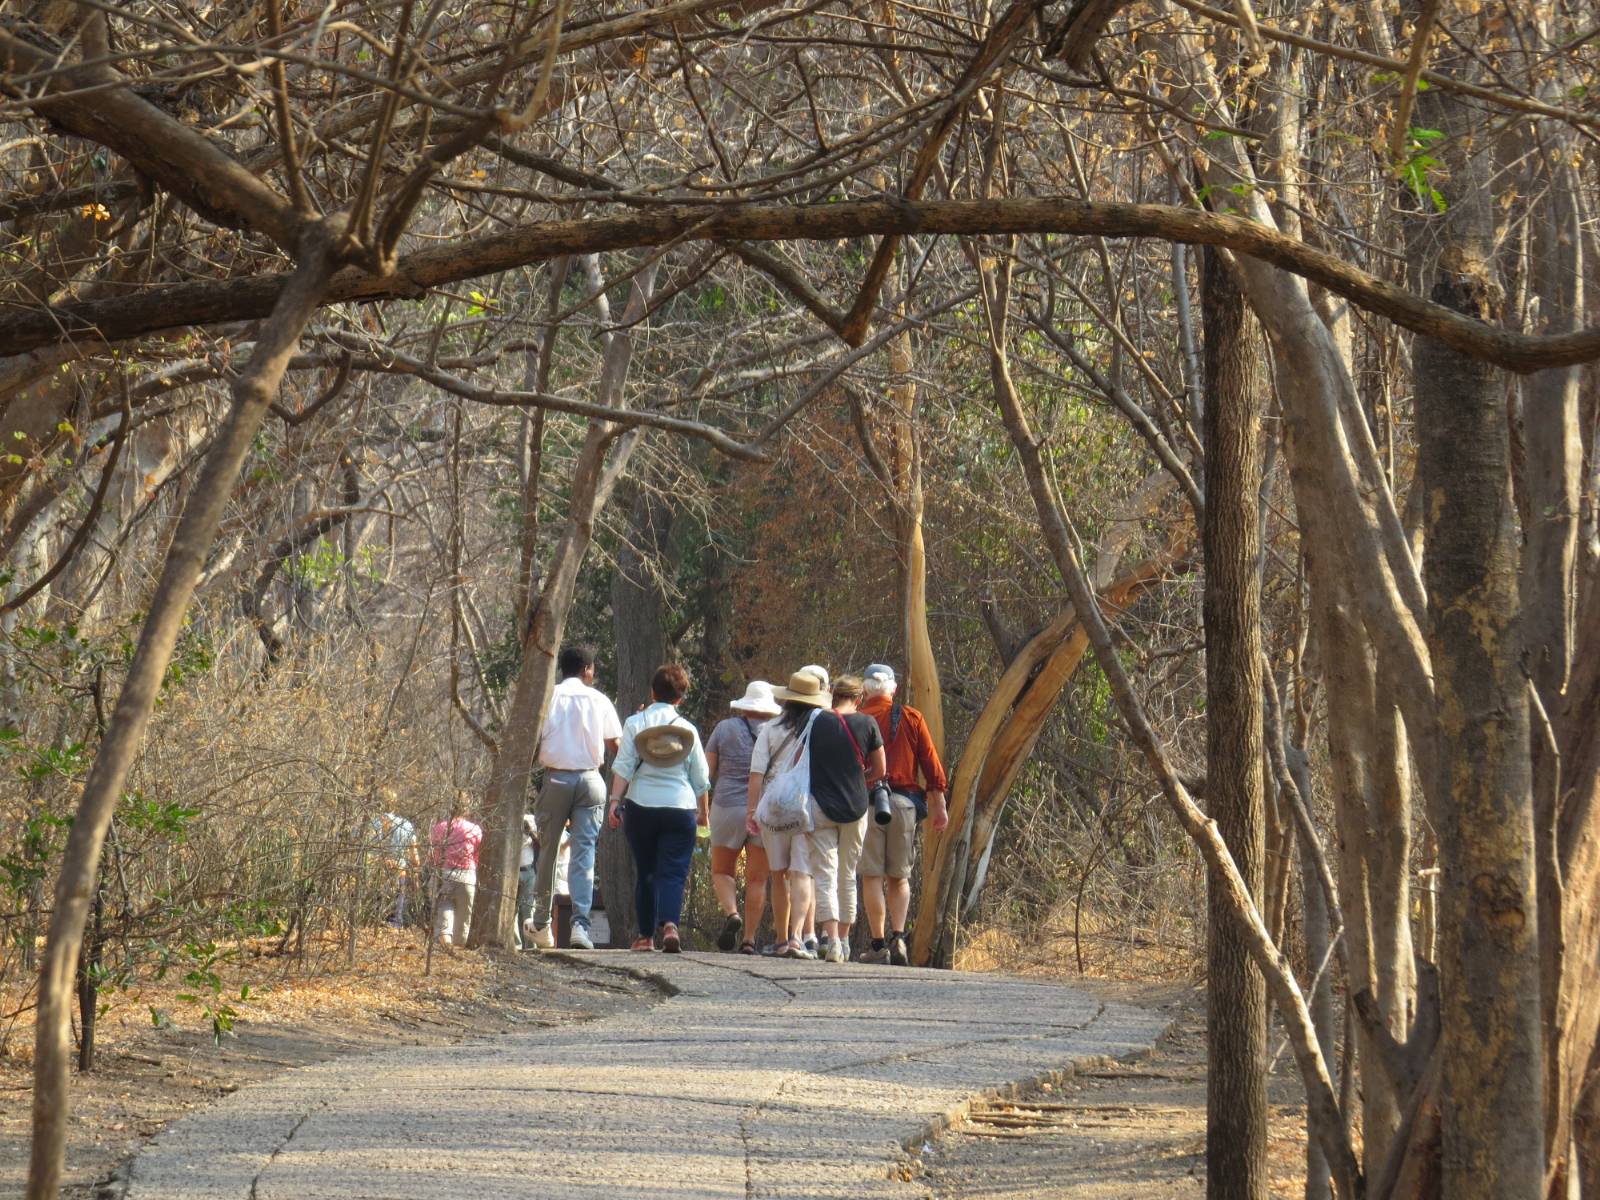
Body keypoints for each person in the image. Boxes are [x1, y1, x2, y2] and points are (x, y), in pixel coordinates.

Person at [525, 644, 622, 952]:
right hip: (591, 778)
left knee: (549, 851)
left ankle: (541, 924)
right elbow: (616, 745)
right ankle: (580, 926)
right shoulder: (599, 700)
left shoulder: (547, 697)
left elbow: (531, 739)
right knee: (584, 854)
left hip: (555, 777)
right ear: (587, 670)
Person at [608, 664, 710, 953]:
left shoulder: (635, 724)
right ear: (680, 698)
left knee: (647, 870)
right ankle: (670, 926)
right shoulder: (687, 731)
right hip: (680, 806)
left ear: (652, 692)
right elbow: (701, 779)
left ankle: (645, 937)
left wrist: (615, 802)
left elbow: (625, 766)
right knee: (673, 871)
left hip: (641, 806)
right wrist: (704, 813)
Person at [858, 662, 949, 966]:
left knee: (871, 875)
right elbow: (930, 762)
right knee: (899, 876)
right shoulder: (911, 717)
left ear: (865, 690)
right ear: (893, 689)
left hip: (868, 804)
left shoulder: (857, 720)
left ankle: (878, 943)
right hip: (904, 803)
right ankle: (898, 938)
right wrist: (939, 806)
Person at [747, 669, 831, 958]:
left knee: (778, 874)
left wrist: (752, 810)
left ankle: (782, 938)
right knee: (802, 873)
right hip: (808, 809)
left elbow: (756, 774)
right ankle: (798, 936)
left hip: (774, 810)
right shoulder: (822, 730)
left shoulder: (770, 729)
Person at [806, 675, 886, 964]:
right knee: (848, 874)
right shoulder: (868, 724)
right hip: (856, 805)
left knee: (825, 874)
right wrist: (859, 780)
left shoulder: (816, 722)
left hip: (820, 805)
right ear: (860, 698)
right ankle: (845, 940)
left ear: (832, 695)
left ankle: (831, 941)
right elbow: (880, 769)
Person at [705, 680, 780, 953]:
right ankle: (749, 939)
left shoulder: (724, 729)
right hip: (763, 810)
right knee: (758, 878)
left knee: (722, 870)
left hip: (726, 807)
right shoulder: (777, 732)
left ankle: (731, 913)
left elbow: (707, 771)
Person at [429, 792, 483, 947]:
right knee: (463, 920)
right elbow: (477, 855)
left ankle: (445, 942)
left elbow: (434, 854)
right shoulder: (474, 829)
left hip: (443, 874)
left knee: (443, 912)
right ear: (467, 808)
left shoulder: (439, 828)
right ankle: (458, 950)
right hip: (466, 876)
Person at [371, 793, 418, 928]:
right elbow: (415, 858)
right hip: (399, 873)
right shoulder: (406, 825)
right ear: (394, 804)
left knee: (375, 915)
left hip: (376, 874)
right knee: (395, 918)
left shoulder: (372, 823)